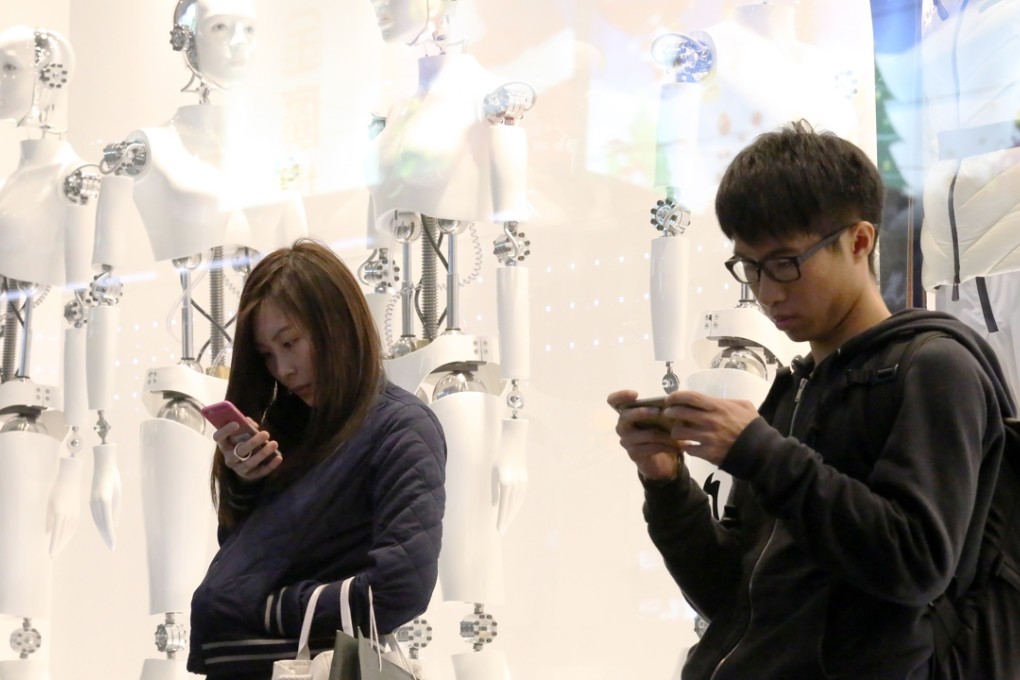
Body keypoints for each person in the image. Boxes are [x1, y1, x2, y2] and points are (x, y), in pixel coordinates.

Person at [608, 121, 1016, 679]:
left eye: (785, 263)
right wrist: (667, 484)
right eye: (749, 267)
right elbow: (732, 599)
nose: (767, 291)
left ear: (860, 241)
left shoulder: (934, 368)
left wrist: (760, 452)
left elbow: (916, 563)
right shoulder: (793, 388)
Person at [187, 239, 447, 680]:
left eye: (290, 342)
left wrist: (264, 607)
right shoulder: (288, 429)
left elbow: (400, 589)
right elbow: (256, 564)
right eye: (267, 355)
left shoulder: (401, 428)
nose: (283, 369)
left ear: (337, 324)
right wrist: (243, 485)